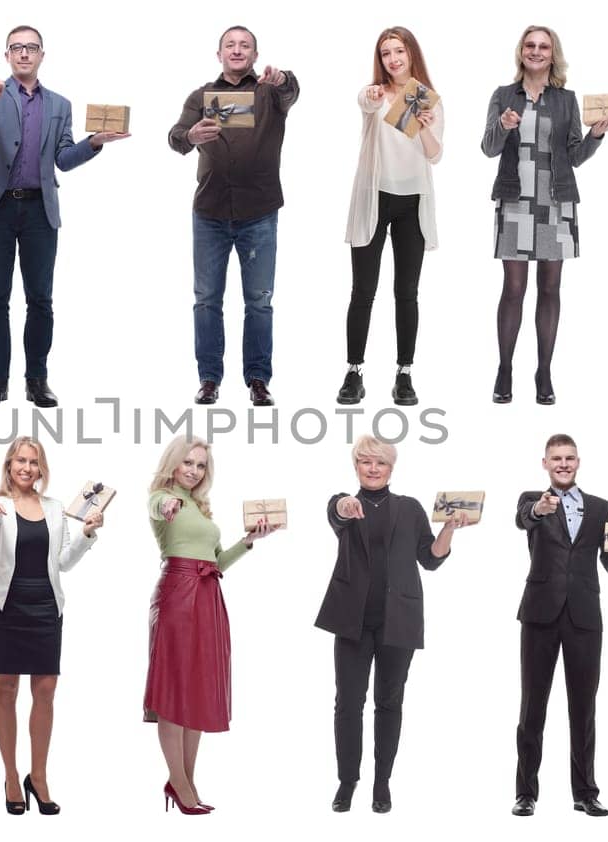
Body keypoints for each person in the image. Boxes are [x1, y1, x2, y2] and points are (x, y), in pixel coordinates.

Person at [0, 25, 128, 409]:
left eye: (30, 48)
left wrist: (95, 143)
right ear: (6, 56)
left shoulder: (60, 105)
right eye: (16, 48)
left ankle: (37, 379)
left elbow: (64, 160)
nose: (23, 54)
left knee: (41, 299)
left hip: (40, 209)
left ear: (41, 55)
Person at [314, 435, 466, 813]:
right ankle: (347, 782)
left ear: (390, 467)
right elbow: (336, 512)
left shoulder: (410, 508)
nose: (372, 468)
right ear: (356, 466)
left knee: (389, 703)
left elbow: (430, 559)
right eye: (365, 462)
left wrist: (448, 530)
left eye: (379, 463)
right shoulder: (343, 504)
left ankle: (382, 782)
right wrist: (344, 506)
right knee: (348, 704)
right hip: (352, 621)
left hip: (399, 621)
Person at [482, 26, 608, 405]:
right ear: (520, 51)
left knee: (550, 287)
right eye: (530, 45)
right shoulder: (503, 95)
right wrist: (503, 126)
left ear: (553, 54)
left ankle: (544, 370)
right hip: (515, 197)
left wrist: (596, 136)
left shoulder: (566, 100)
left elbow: (574, 155)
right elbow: (488, 148)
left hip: (556, 200)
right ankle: (505, 367)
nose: (536, 51)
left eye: (543, 46)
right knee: (513, 288)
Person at [169, 26, 300, 407]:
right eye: (231, 45)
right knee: (206, 299)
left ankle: (258, 380)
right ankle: (209, 379)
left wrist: (283, 79)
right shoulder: (201, 96)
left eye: (245, 45)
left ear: (255, 55)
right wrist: (191, 135)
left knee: (259, 301)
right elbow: (175, 136)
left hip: (258, 213)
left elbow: (292, 89)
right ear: (219, 54)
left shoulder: (270, 93)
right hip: (209, 212)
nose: (237, 50)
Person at [143, 437, 274, 813]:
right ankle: (179, 783)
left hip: (207, 592)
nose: (193, 470)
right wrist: (166, 504)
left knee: (198, 687)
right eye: (187, 462)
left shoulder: (200, 508)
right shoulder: (162, 497)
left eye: (200, 466)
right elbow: (157, 505)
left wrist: (248, 541)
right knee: (174, 687)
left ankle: (186, 780)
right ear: (173, 463)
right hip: (177, 593)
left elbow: (217, 560)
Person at [509, 434, 608, 817]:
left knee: (584, 707)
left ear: (578, 462)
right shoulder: (533, 501)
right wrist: (540, 508)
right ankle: (525, 793)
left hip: (584, 616)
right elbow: (522, 518)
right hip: (539, 613)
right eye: (555, 459)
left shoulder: (601, 508)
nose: (563, 464)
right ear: (545, 463)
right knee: (533, 706)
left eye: (569, 458)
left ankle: (585, 792)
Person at [0, 437, 102, 814]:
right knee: (5, 691)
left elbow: (63, 562)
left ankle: (40, 775)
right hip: (4, 606)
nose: (26, 468)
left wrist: (87, 533)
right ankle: (12, 776)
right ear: (9, 465)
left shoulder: (55, 507)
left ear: (41, 467)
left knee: (45, 693)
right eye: (20, 461)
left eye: (33, 461)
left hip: (46, 607)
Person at [339, 27, 443, 407]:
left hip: (412, 203)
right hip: (374, 198)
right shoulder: (376, 94)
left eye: (399, 51)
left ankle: (404, 373)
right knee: (363, 290)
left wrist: (428, 128)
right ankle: (354, 371)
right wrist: (370, 96)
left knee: (407, 292)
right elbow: (365, 103)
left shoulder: (427, 99)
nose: (393, 59)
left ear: (411, 53)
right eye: (386, 53)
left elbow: (434, 155)